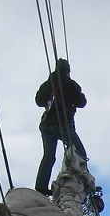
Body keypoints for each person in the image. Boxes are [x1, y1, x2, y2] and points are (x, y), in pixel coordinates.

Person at [33, 58, 87, 194]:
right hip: (62, 125)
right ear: (67, 70)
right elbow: (81, 102)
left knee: (48, 157)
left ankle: (41, 187)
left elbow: (39, 101)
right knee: (79, 152)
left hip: (46, 126)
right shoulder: (70, 84)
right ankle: (81, 181)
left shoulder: (47, 84)